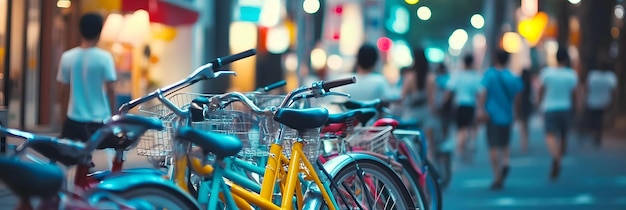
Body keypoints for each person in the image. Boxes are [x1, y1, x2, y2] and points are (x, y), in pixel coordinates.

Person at [57, 13, 117, 184]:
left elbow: (63, 90)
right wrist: (113, 116)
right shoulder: (104, 57)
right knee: (113, 152)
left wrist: (63, 116)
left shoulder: (67, 57)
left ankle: (70, 191)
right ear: (99, 32)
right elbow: (111, 89)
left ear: (79, 31)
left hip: (73, 120)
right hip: (99, 121)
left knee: (68, 161)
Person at [477, 49, 523, 190]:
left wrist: (480, 109)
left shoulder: (489, 74)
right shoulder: (513, 77)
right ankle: (506, 162)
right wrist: (515, 112)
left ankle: (497, 176)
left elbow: (483, 93)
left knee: (493, 146)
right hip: (507, 115)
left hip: (492, 116)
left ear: (496, 59)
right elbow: (517, 97)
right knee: (505, 143)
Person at [538, 48, 578, 181]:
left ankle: (555, 157)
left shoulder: (547, 73)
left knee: (550, 135)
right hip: (566, 108)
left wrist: (539, 103)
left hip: (550, 108)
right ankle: (559, 157)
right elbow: (574, 94)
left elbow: (541, 90)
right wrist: (577, 107)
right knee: (563, 136)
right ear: (566, 59)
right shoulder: (571, 74)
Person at [398, 47, 441, 160]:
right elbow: (432, 100)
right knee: (428, 146)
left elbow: (402, 97)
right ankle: (428, 171)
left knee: (410, 146)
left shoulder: (409, 77)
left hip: (412, 113)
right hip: (426, 111)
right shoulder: (431, 77)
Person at [446, 54, 483, 162]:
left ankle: (460, 148)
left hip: (460, 105)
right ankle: (471, 143)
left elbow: (449, 90)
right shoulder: (476, 76)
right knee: (472, 127)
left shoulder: (458, 75)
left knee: (461, 128)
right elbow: (480, 93)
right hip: (472, 105)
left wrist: (444, 103)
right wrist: (480, 107)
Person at [583, 60, 617, 147]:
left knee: (593, 119)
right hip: (604, 102)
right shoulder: (611, 77)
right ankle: (598, 135)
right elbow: (613, 92)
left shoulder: (592, 76)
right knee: (600, 119)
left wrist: (585, 98)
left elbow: (587, 88)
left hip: (592, 101)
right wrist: (612, 102)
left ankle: (595, 134)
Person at [516, 68, 534, 153]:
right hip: (528, 104)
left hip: (522, 104)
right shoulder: (529, 83)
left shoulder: (520, 83)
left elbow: (518, 96)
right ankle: (526, 141)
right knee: (526, 124)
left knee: (522, 124)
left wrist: (517, 107)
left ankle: (523, 142)